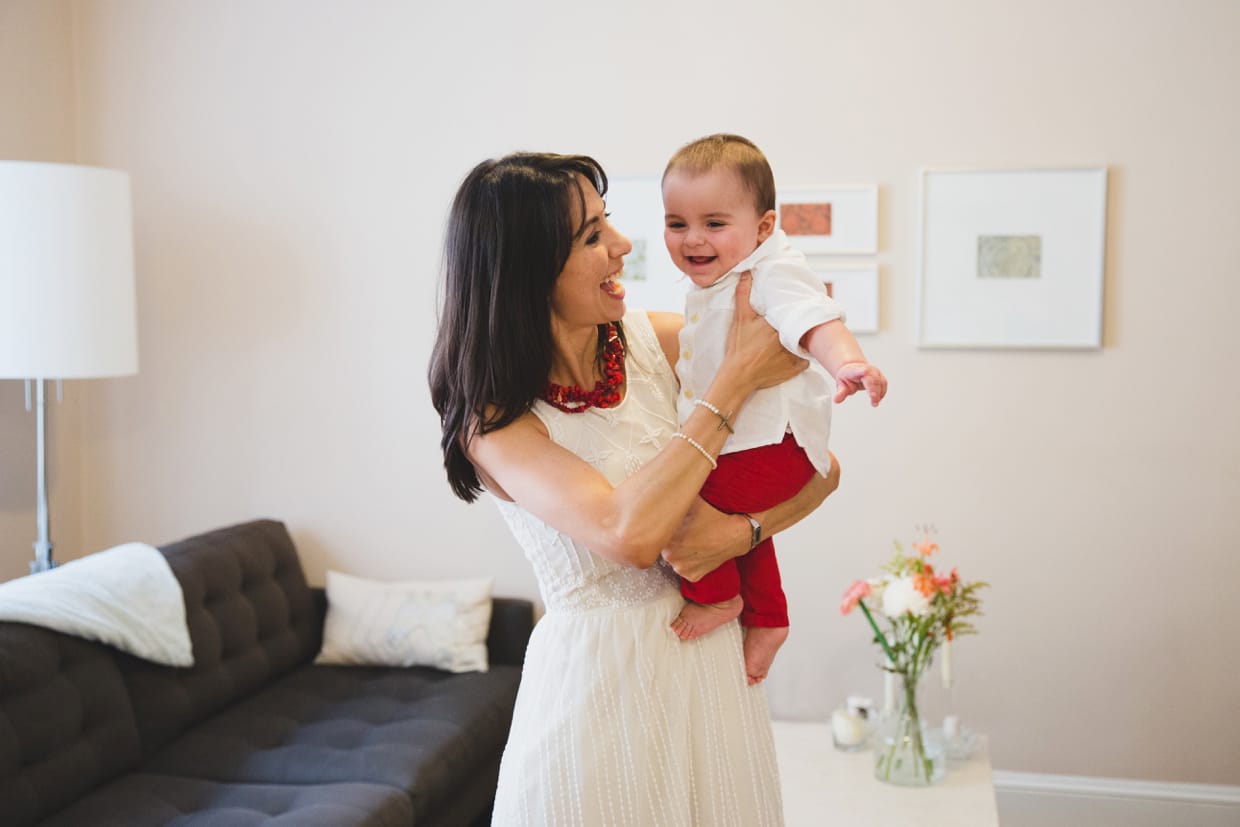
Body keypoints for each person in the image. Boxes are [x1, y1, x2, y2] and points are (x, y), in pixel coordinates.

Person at [429, 151, 840, 826]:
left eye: (608, 222)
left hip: (710, 668)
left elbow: (822, 467)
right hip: (597, 692)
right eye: (591, 236)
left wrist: (741, 533)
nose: (622, 246)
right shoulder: (496, 423)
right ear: (528, 272)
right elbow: (629, 532)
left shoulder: (663, 343)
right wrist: (731, 383)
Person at [662, 133, 887, 685]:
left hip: (772, 442)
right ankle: (768, 617)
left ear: (763, 227)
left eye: (715, 224)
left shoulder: (772, 271)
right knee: (725, 523)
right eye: (676, 223)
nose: (693, 239)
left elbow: (814, 318)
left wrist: (847, 364)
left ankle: (718, 598)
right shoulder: (722, 280)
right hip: (753, 443)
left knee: (676, 509)